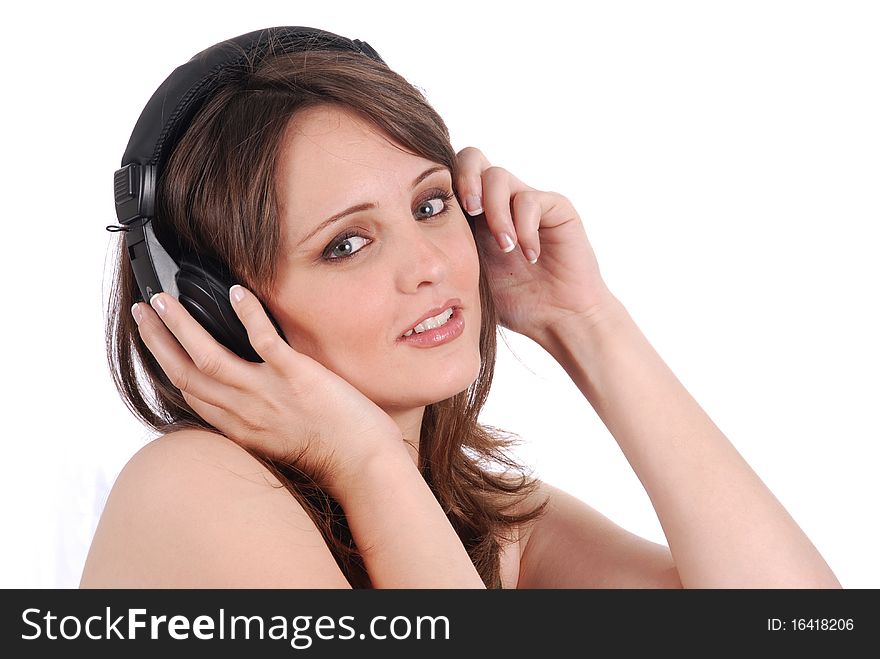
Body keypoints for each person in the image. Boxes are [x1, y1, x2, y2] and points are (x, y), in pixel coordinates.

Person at [80, 26, 841, 589]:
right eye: (347, 243)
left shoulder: (489, 522)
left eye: (432, 202)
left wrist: (584, 321)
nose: (431, 264)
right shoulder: (189, 486)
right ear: (211, 307)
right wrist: (365, 456)